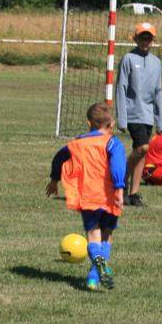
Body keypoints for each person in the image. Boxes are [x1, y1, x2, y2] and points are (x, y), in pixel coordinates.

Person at [47, 102, 126, 290]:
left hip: (88, 197)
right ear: (111, 124)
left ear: (88, 123)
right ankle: (94, 276)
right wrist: (120, 189)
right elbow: (118, 166)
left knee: (93, 234)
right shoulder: (113, 142)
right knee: (107, 235)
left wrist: (54, 179)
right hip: (109, 197)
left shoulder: (77, 143)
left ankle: (94, 275)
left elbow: (59, 157)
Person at [115, 22, 162, 207]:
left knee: (142, 154)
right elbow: (121, 88)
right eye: (142, 36)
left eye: (148, 37)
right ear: (135, 38)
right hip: (133, 113)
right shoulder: (128, 59)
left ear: (153, 40)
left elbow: (158, 92)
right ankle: (120, 182)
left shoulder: (157, 63)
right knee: (143, 148)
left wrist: (160, 122)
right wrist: (122, 118)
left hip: (148, 115)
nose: (145, 40)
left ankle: (133, 194)